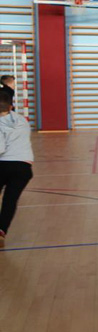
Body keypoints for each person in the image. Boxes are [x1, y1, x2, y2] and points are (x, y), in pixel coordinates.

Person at [0, 90, 32, 247]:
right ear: (11, 105)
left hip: (3, 164)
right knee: (10, 200)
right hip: (24, 167)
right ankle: (2, 230)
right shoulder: (22, 120)